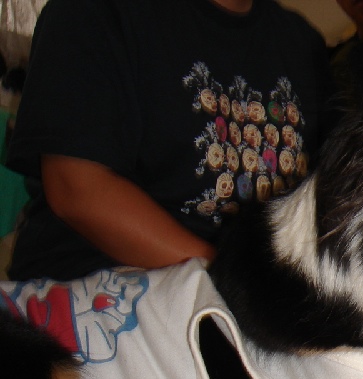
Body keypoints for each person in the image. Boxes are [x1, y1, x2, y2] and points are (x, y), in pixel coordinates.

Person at [7, 0, 335, 280]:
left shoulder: (301, 43)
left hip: (247, 295)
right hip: (102, 284)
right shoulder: (95, 10)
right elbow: (76, 189)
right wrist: (229, 282)